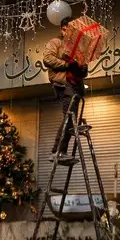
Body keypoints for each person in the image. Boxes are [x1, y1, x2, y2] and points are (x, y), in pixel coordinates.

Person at [43, 16, 88, 165]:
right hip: (63, 83)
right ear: (62, 29)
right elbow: (47, 59)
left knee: (71, 119)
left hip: (76, 85)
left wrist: (81, 67)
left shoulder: (78, 47)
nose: (70, 34)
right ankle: (57, 151)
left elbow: (84, 71)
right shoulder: (56, 42)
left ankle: (61, 151)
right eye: (67, 30)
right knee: (69, 117)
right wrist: (67, 65)